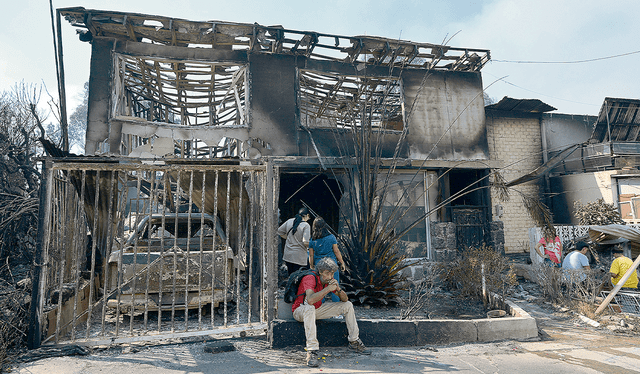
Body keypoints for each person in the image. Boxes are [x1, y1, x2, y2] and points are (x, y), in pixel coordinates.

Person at [292, 257, 370, 367]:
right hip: (300, 310)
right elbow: (310, 300)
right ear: (320, 272)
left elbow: (345, 299)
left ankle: (354, 342)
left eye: (332, 273)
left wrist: (338, 289)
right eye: (327, 273)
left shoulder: (328, 280)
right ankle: (312, 351)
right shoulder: (310, 278)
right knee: (310, 308)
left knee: (348, 305)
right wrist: (328, 289)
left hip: (316, 309)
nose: (331, 276)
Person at [309, 217, 346, 302]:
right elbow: (336, 251)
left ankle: (320, 307)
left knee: (319, 286)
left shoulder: (312, 240)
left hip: (319, 265)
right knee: (335, 285)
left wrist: (311, 265)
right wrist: (342, 262)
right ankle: (336, 311)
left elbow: (311, 255)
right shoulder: (331, 237)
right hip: (332, 264)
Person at [277, 207, 312, 276]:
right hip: (299, 258)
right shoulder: (306, 225)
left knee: (291, 276)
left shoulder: (289, 221)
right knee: (298, 278)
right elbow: (305, 242)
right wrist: (313, 246)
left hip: (288, 256)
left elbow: (279, 231)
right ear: (307, 215)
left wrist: (288, 238)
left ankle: (289, 286)